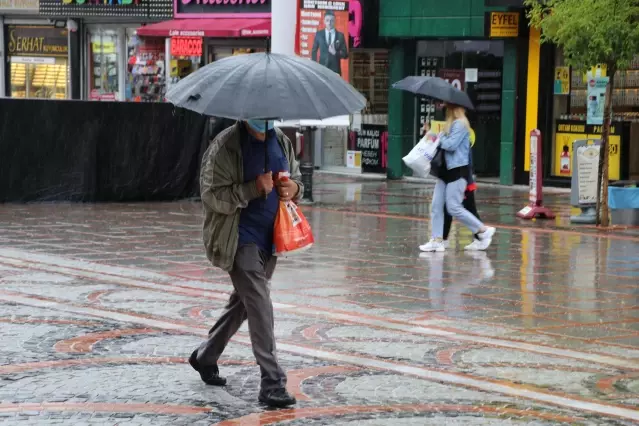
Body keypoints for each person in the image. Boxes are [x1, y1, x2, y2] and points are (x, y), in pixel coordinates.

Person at [190, 120, 302, 408]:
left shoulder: (280, 139)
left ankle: (206, 356)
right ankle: (272, 383)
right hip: (237, 239)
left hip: (271, 239)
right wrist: (252, 188)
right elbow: (211, 195)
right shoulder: (226, 146)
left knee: (244, 303)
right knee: (260, 303)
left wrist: (293, 187)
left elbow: (296, 177)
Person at [420, 104, 495, 252]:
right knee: (436, 206)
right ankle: (437, 240)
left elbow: (451, 145)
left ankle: (482, 230)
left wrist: (437, 139)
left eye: (446, 108)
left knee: (453, 207)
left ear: (452, 110)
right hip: (445, 172)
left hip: (457, 171)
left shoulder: (460, 124)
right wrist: (431, 134)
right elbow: (440, 142)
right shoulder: (451, 125)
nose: (444, 111)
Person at [442, 130, 488, 250]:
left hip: (463, 180)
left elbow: (467, 162)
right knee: (449, 208)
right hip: (460, 178)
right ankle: (444, 238)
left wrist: (467, 181)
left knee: (468, 209)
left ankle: (481, 236)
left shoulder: (461, 139)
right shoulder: (458, 137)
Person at [312, 10, 348, 75]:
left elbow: (345, 54)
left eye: (332, 20)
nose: (329, 23)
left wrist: (335, 53)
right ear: (324, 21)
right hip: (322, 69)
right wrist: (315, 67)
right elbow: (314, 51)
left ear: (335, 21)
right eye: (327, 20)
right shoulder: (319, 34)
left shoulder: (340, 35)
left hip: (335, 71)